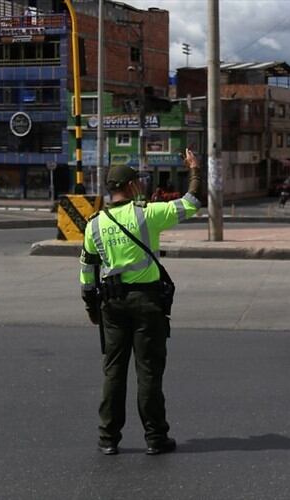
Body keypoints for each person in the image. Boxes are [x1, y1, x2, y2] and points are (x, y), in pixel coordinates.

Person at [79, 148, 204, 456]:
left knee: (113, 372)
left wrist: (92, 309)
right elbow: (192, 203)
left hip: (112, 305)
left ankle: (108, 438)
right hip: (147, 304)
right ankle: (155, 438)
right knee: (148, 372)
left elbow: (87, 273)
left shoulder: (94, 224)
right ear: (132, 186)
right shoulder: (147, 214)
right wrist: (194, 170)